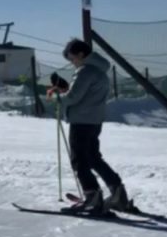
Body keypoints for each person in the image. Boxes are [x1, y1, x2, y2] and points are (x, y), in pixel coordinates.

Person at [49, 39, 130, 213]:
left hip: (81, 121)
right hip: (94, 120)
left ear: (81, 54)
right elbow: (83, 95)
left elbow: (73, 97)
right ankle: (118, 194)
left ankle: (93, 198)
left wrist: (58, 98)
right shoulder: (99, 70)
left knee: (79, 161)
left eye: (72, 59)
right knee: (93, 158)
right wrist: (67, 91)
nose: (72, 63)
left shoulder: (85, 71)